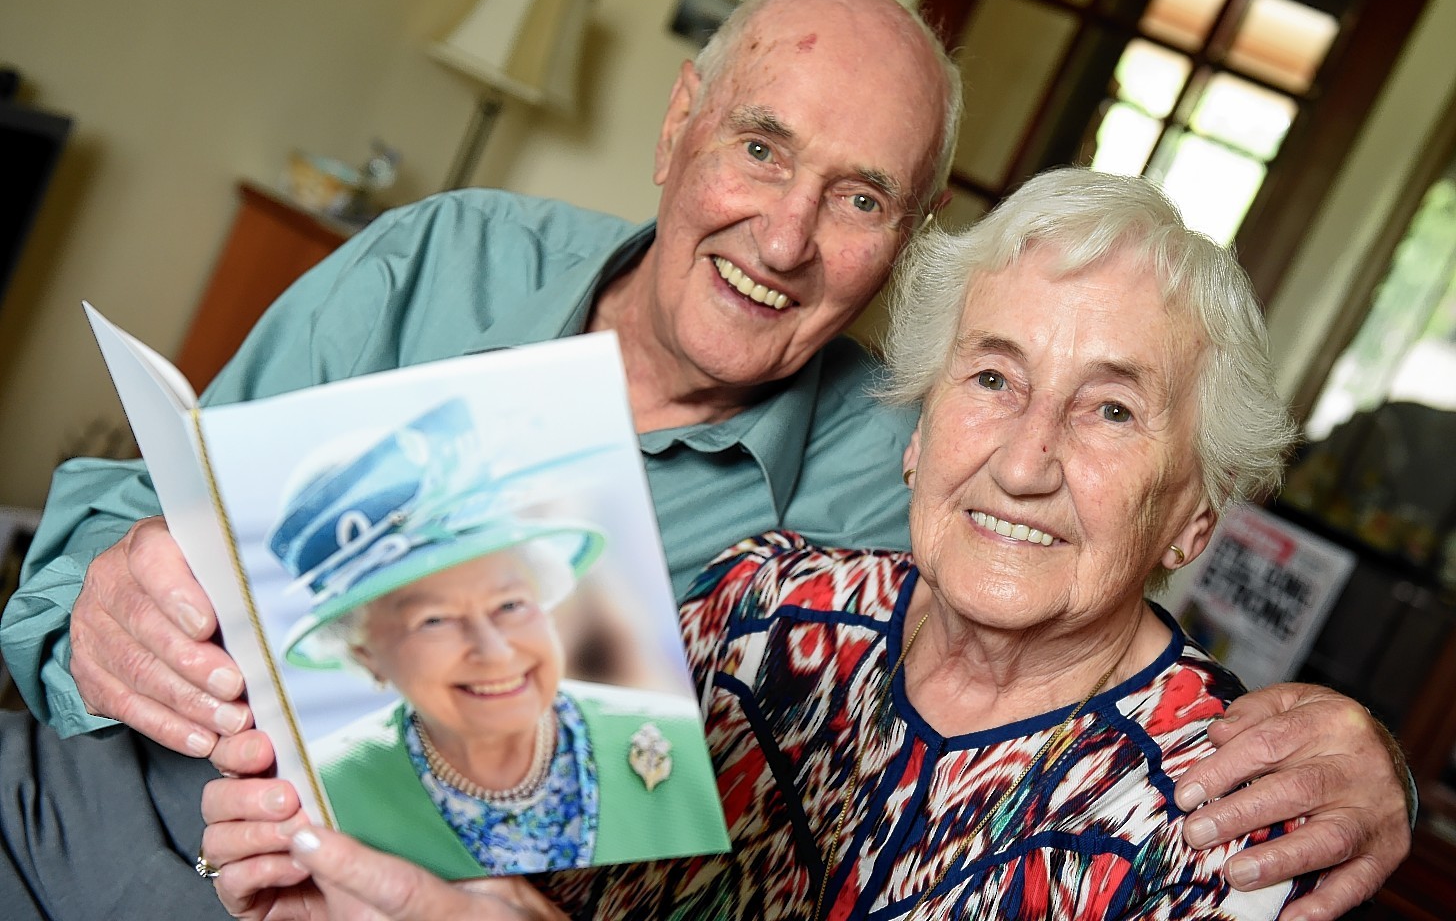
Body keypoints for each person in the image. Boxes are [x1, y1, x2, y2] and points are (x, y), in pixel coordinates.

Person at [0, 0, 1410, 921]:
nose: (788, 239)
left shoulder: (906, 502)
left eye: (859, 199)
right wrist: (103, 598)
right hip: (101, 783)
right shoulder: (452, 262)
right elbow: (115, 528)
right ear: (681, 127)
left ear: (905, 247)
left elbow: (1109, 636)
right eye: (761, 149)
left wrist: (1375, 760)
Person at [203, 167, 1344, 920]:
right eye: (992, 377)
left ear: (1196, 513)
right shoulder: (764, 608)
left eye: (1110, 410)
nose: (1024, 458)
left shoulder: (1226, 825)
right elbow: (508, 870)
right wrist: (355, 875)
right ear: (918, 426)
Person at [266, 399, 725, 877]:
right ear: (366, 655)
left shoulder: (686, 742)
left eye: (510, 605)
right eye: (435, 620)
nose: (496, 650)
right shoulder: (317, 797)